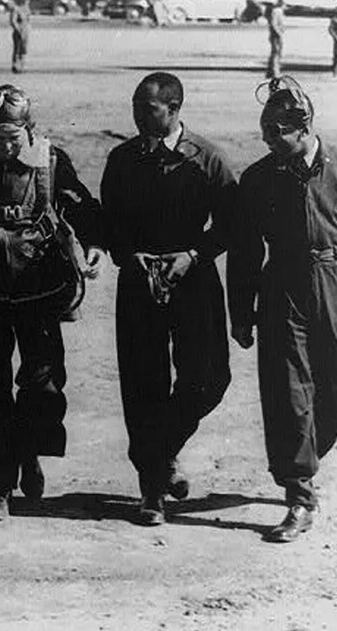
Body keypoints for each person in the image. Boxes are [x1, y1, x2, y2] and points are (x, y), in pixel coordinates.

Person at [0, 84, 105, 522]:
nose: (7, 146)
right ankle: (0, 487)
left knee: (42, 384)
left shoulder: (50, 162)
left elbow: (80, 206)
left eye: (14, 136)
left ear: (29, 129)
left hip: (39, 289)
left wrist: (94, 245)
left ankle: (30, 451)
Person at [100, 72, 235, 526]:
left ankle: (161, 450)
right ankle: (152, 491)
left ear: (174, 108)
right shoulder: (121, 159)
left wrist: (194, 255)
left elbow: (232, 224)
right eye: (136, 107)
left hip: (192, 279)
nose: (138, 116)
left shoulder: (208, 159)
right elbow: (108, 220)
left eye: (149, 108)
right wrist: (126, 253)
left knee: (209, 377)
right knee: (143, 386)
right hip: (138, 282)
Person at [227, 77, 337, 543]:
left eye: (275, 131)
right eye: (264, 131)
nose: (267, 140)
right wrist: (240, 312)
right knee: (288, 390)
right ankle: (299, 492)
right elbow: (243, 252)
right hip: (282, 286)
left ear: (303, 129)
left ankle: (303, 456)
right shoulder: (258, 178)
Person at [266, 0, 285, 79]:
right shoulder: (277, 11)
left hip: (275, 34)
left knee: (275, 53)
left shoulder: (277, 11)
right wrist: (279, 33)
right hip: (276, 35)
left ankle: (270, 71)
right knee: (276, 54)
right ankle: (275, 72)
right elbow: (274, 23)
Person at [10, 0, 30, 73]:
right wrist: (18, 30)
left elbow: (28, 20)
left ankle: (22, 66)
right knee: (17, 49)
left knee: (23, 49)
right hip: (18, 32)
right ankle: (15, 66)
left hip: (25, 31)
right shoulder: (15, 9)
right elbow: (13, 21)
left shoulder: (26, 9)